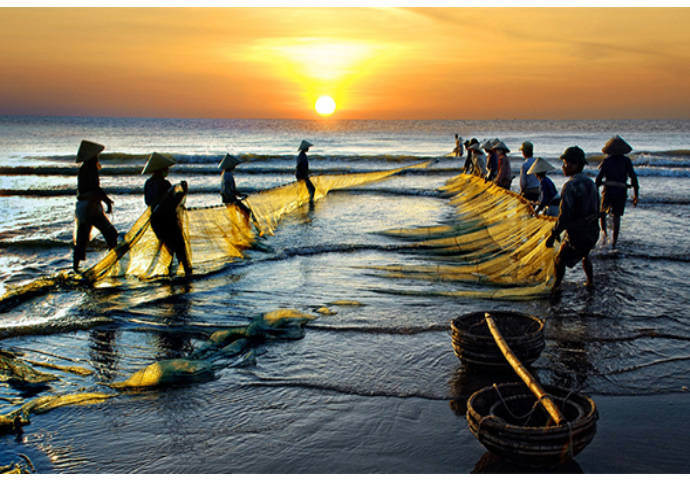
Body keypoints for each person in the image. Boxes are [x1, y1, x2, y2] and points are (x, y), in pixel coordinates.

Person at [544, 146, 600, 292]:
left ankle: (556, 286)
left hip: (578, 233)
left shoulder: (570, 185)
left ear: (575, 165)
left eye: (566, 163)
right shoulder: (591, 183)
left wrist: (554, 233)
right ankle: (590, 282)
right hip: (592, 232)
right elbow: (596, 208)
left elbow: (565, 215)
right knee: (585, 253)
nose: (563, 167)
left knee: (560, 257)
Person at [142, 152, 192, 276]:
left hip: (155, 221)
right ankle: (187, 275)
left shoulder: (148, 184)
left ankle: (170, 274)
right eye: (166, 168)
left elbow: (148, 202)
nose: (167, 170)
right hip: (167, 220)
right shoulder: (165, 184)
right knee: (180, 247)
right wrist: (183, 192)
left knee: (170, 248)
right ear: (161, 169)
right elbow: (172, 203)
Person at [73, 140, 118, 273]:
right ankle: (112, 262)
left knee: (83, 239)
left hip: (86, 206)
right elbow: (95, 188)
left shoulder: (84, 168)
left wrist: (105, 200)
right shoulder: (90, 168)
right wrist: (107, 201)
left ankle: (76, 268)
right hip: (89, 207)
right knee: (110, 234)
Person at [595, 135, 639, 248]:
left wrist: (595, 191)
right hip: (620, 192)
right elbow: (633, 178)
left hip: (608, 190)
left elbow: (599, 179)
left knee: (602, 213)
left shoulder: (607, 161)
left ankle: (604, 235)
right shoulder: (626, 161)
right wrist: (636, 195)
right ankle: (614, 242)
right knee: (617, 216)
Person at [219, 153, 252, 218]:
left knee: (233, 216)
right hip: (230, 199)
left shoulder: (226, 173)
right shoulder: (227, 175)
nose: (235, 166)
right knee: (247, 212)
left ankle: (239, 227)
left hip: (228, 199)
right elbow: (226, 190)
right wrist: (233, 200)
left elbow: (231, 189)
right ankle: (246, 227)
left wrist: (239, 194)